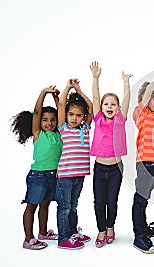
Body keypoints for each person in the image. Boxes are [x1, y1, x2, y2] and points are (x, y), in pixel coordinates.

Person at [11, 86, 62, 250]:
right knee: (32, 205)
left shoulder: (59, 133)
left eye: (52, 120)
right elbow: (37, 112)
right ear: (39, 122)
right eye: (45, 120)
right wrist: (44, 93)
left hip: (54, 175)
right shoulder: (38, 133)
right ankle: (28, 239)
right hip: (38, 176)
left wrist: (56, 98)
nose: (49, 123)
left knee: (46, 204)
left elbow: (61, 113)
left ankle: (43, 233)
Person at [89, 61, 132, 248]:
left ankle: (110, 228)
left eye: (113, 104)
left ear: (117, 108)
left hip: (116, 168)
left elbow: (127, 100)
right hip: (99, 167)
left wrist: (126, 82)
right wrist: (96, 77)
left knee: (111, 201)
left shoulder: (120, 120)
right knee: (99, 202)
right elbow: (95, 97)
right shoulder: (98, 119)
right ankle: (100, 230)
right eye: (106, 104)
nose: (109, 106)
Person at [56, 78, 93, 249]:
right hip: (65, 176)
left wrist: (79, 90)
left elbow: (91, 107)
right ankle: (63, 238)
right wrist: (68, 86)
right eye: (71, 115)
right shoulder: (63, 128)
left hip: (79, 175)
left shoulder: (85, 128)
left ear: (83, 117)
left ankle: (72, 232)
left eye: (78, 115)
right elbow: (62, 104)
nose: (74, 118)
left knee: (73, 206)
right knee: (64, 207)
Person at [132, 76, 154, 254]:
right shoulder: (141, 113)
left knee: (145, 198)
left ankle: (144, 228)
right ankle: (139, 237)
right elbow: (146, 97)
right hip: (144, 162)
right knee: (140, 199)